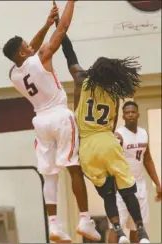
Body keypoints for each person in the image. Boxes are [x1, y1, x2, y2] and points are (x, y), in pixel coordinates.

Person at [2, 1, 100, 243]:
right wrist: (71, 3)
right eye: (27, 45)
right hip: (59, 116)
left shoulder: (13, 74)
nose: (31, 45)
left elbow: (30, 48)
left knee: (49, 175)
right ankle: (85, 219)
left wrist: (46, 23)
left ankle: (54, 225)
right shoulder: (42, 56)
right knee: (74, 167)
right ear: (24, 52)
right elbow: (64, 27)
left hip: (40, 121)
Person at [55, 12, 150, 244]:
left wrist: (59, 26)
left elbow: (69, 52)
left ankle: (118, 231)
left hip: (88, 146)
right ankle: (143, 232)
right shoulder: (114, 94)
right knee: (128, 189)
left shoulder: (81, 79)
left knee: (107, 191)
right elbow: (114, 120)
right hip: (108, 140)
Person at [108, 101, 162, 243]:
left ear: (138, 114)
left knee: (137, 227)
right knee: (116, 227)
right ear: (123, 116)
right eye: (127, 112)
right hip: (121, 185)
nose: (130, 114)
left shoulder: (144, 133)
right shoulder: (118, 135)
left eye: (133, 112)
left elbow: (147, 159)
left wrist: (157, 183)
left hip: (139, 184)